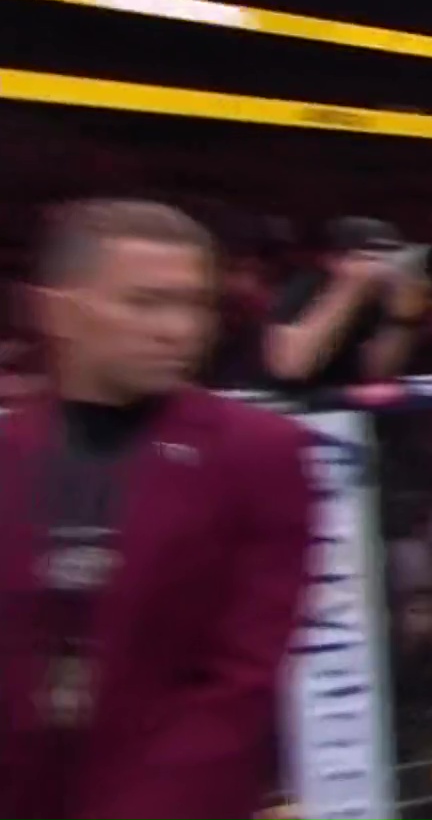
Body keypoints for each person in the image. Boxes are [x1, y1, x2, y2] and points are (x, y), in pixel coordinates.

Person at [0, 199, 315, 820]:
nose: (179, 330)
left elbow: (238, 680)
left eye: (195, 306)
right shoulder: (10, 447)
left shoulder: (258, 452)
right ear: (55, 310)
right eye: (146, 303)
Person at [262, 217, 429, 389]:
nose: (383, 267)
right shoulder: (304, 287)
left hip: (347, 398)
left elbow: (379, 372)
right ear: (334, 259)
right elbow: (291, 368)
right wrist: (349, 289)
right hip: (283, 398)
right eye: (370, 257)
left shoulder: (384, 294)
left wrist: (403, 317)